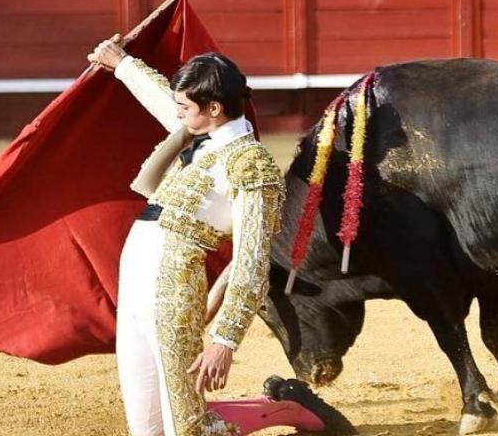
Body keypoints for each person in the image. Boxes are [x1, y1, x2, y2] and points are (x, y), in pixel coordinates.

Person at [87, 36, 354, 436]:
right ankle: (276, 406)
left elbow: (251, 260)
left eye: (185, 108)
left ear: (214, 109)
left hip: (173, 285)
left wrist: (224, 340)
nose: (177, 113)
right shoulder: (198, 133)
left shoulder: (252, 166)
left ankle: (287, 409)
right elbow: (168, 102)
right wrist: (122, 63)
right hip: (136, 276)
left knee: (187, 429)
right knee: (148, 428)